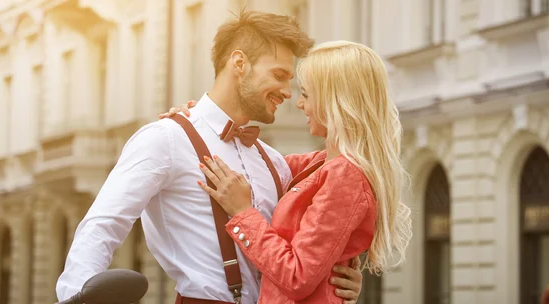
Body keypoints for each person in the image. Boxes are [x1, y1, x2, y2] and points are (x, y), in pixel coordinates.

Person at [56, 11, 363, 304]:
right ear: (239, 63)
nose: (288, 92)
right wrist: (76, 296)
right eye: (279, 75)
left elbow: (306, 241)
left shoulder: (273, 162)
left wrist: (342, 277)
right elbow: (104, 224)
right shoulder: (166, 139)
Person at [161, 40, 413, 303]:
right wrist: (197, 122)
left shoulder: (344, 176)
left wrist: (243, 213)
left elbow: (297, 277)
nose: (300, 104)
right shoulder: (319, 164)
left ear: (333, 100)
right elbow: (246, 160)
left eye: (306, 94)